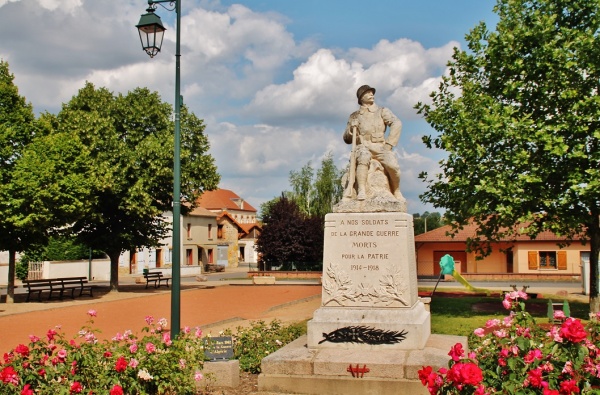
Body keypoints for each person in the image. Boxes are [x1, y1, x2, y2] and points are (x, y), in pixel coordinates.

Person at [343, 85, 402, 200]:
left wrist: (389, 144)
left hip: (380, 147)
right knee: (363, 157)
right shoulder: (354, 116)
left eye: (372, 93)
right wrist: (351, 129)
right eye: (368, 93)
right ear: (361, 97)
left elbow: (397, 123)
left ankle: (396, 190)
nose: (372, 95)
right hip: (363, 146)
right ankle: (361, 191)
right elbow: (346, 138)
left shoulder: (381, 111)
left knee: (393, 167)